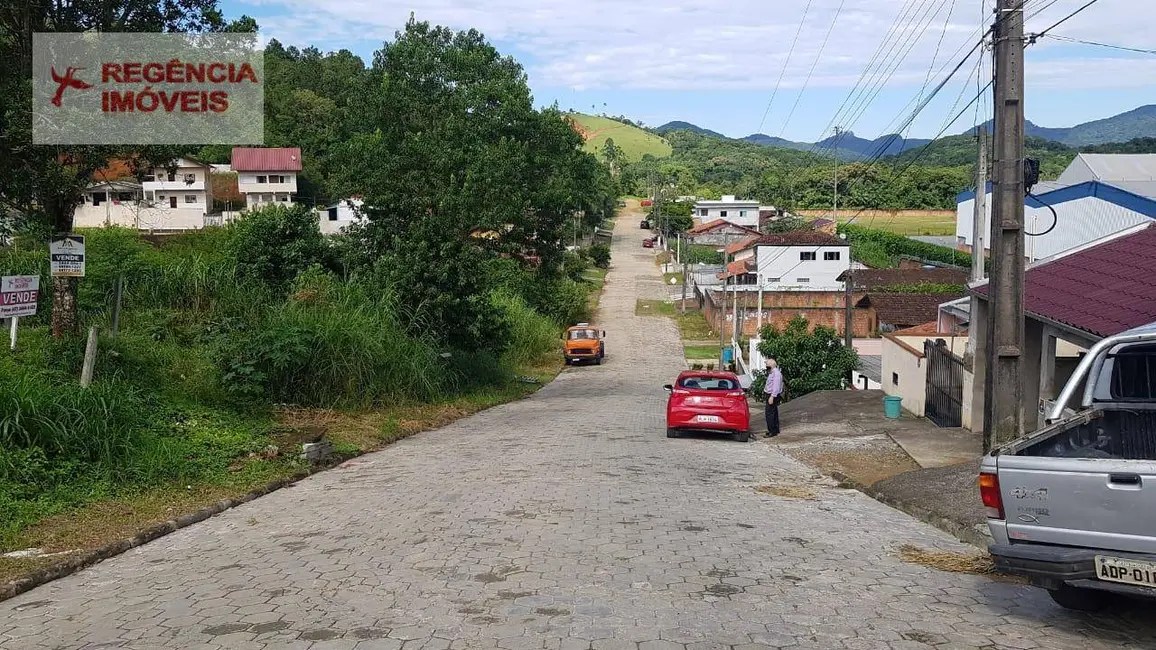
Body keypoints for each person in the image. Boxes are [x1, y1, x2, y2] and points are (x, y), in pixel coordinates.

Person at [763, 358, 783, 438]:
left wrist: (772, 396)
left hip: (772, 395)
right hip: (770, 394)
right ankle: (774, 429)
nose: (766, 366)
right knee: (773, 412)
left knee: (769, 413)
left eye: (767, 364)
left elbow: (776, 386)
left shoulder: (776, 374)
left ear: (772, 365)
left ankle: (772, 431)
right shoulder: (772, 373)